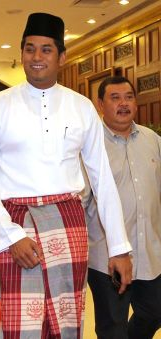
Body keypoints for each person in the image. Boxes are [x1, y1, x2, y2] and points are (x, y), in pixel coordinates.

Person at [0, 12, 133, 339]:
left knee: (66, 318)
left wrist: (119, 247)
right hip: (17, 222)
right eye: (30, 49)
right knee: (22, 324)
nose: (37, 57)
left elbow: (102, 179)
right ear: (21, 54)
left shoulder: (81, 107)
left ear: (62, 56)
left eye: (46, 49)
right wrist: (10, 236)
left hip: (68, 222)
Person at [83, 76, 161, 339]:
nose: (123, 103)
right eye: (115, 98)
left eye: (128, 97)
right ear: (100, 105)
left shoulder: (152, 140)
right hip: (107, 259)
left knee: (154, 312)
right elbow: (81, 201)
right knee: (112, 329)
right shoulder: (90, 146)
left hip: (151, 253)